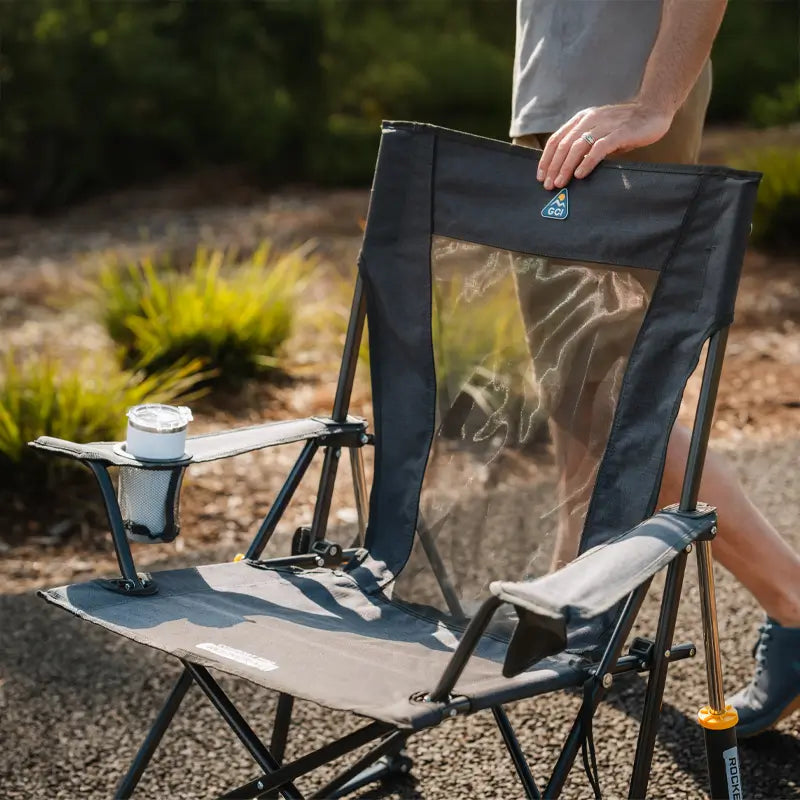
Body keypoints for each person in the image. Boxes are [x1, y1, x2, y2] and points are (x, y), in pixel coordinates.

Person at [511, 0, 800, 737]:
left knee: (616, 406)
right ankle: (576, 599)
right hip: (558, 118)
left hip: (617, 119)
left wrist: (655, 99)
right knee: (574, 394)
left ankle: (796, 603)